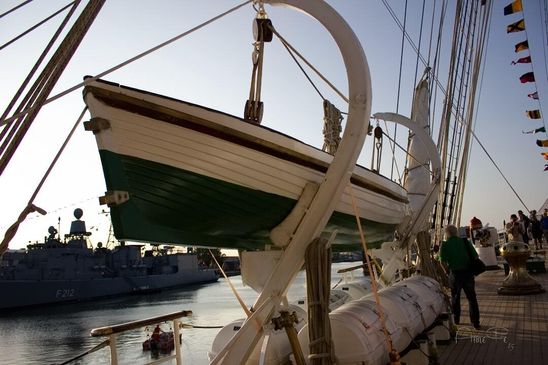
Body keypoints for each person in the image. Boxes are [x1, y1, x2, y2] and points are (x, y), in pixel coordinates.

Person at [439, 224, 481, 329]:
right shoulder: (464, 241)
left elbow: (442, 261)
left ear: (446, 233)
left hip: (455, 274)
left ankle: (456, 320)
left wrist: (447, 272)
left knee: (455, 298)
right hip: (468, 273)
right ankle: (476, 322)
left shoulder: (445, 245)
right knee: (472, 298)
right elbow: (475, 256)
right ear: (456, 232)